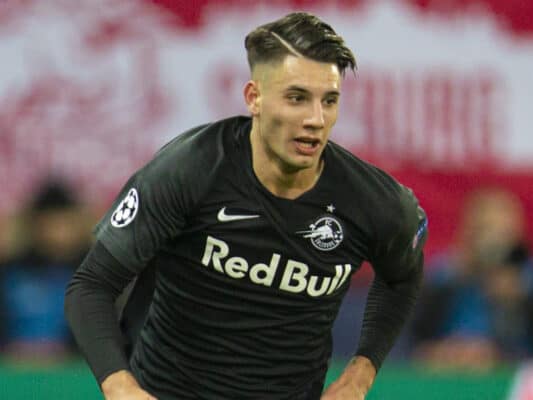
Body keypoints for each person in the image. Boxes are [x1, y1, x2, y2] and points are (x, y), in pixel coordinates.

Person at [65, 12, 427, 400]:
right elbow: (91, 286)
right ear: (254, 98)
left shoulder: (376, 204)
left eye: (330, 100)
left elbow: (401, 278)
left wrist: (360, 373)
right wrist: (120, 386)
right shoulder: (190, 171)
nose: (315, 119)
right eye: (297, 98)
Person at [409, 188, 533, 370]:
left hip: (511, 372)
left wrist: (519, 295)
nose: (491, 242)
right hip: (448, 368)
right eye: (483, 229)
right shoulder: (444, 274)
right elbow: (416, 334)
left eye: (501, 231)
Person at [0, 178, 91, 361]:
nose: (58, 233)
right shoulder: (11, 272)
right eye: (51, 224)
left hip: (76, 372)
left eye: (65, 224)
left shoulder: (95, 272)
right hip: (12, 370)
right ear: (35, 224)